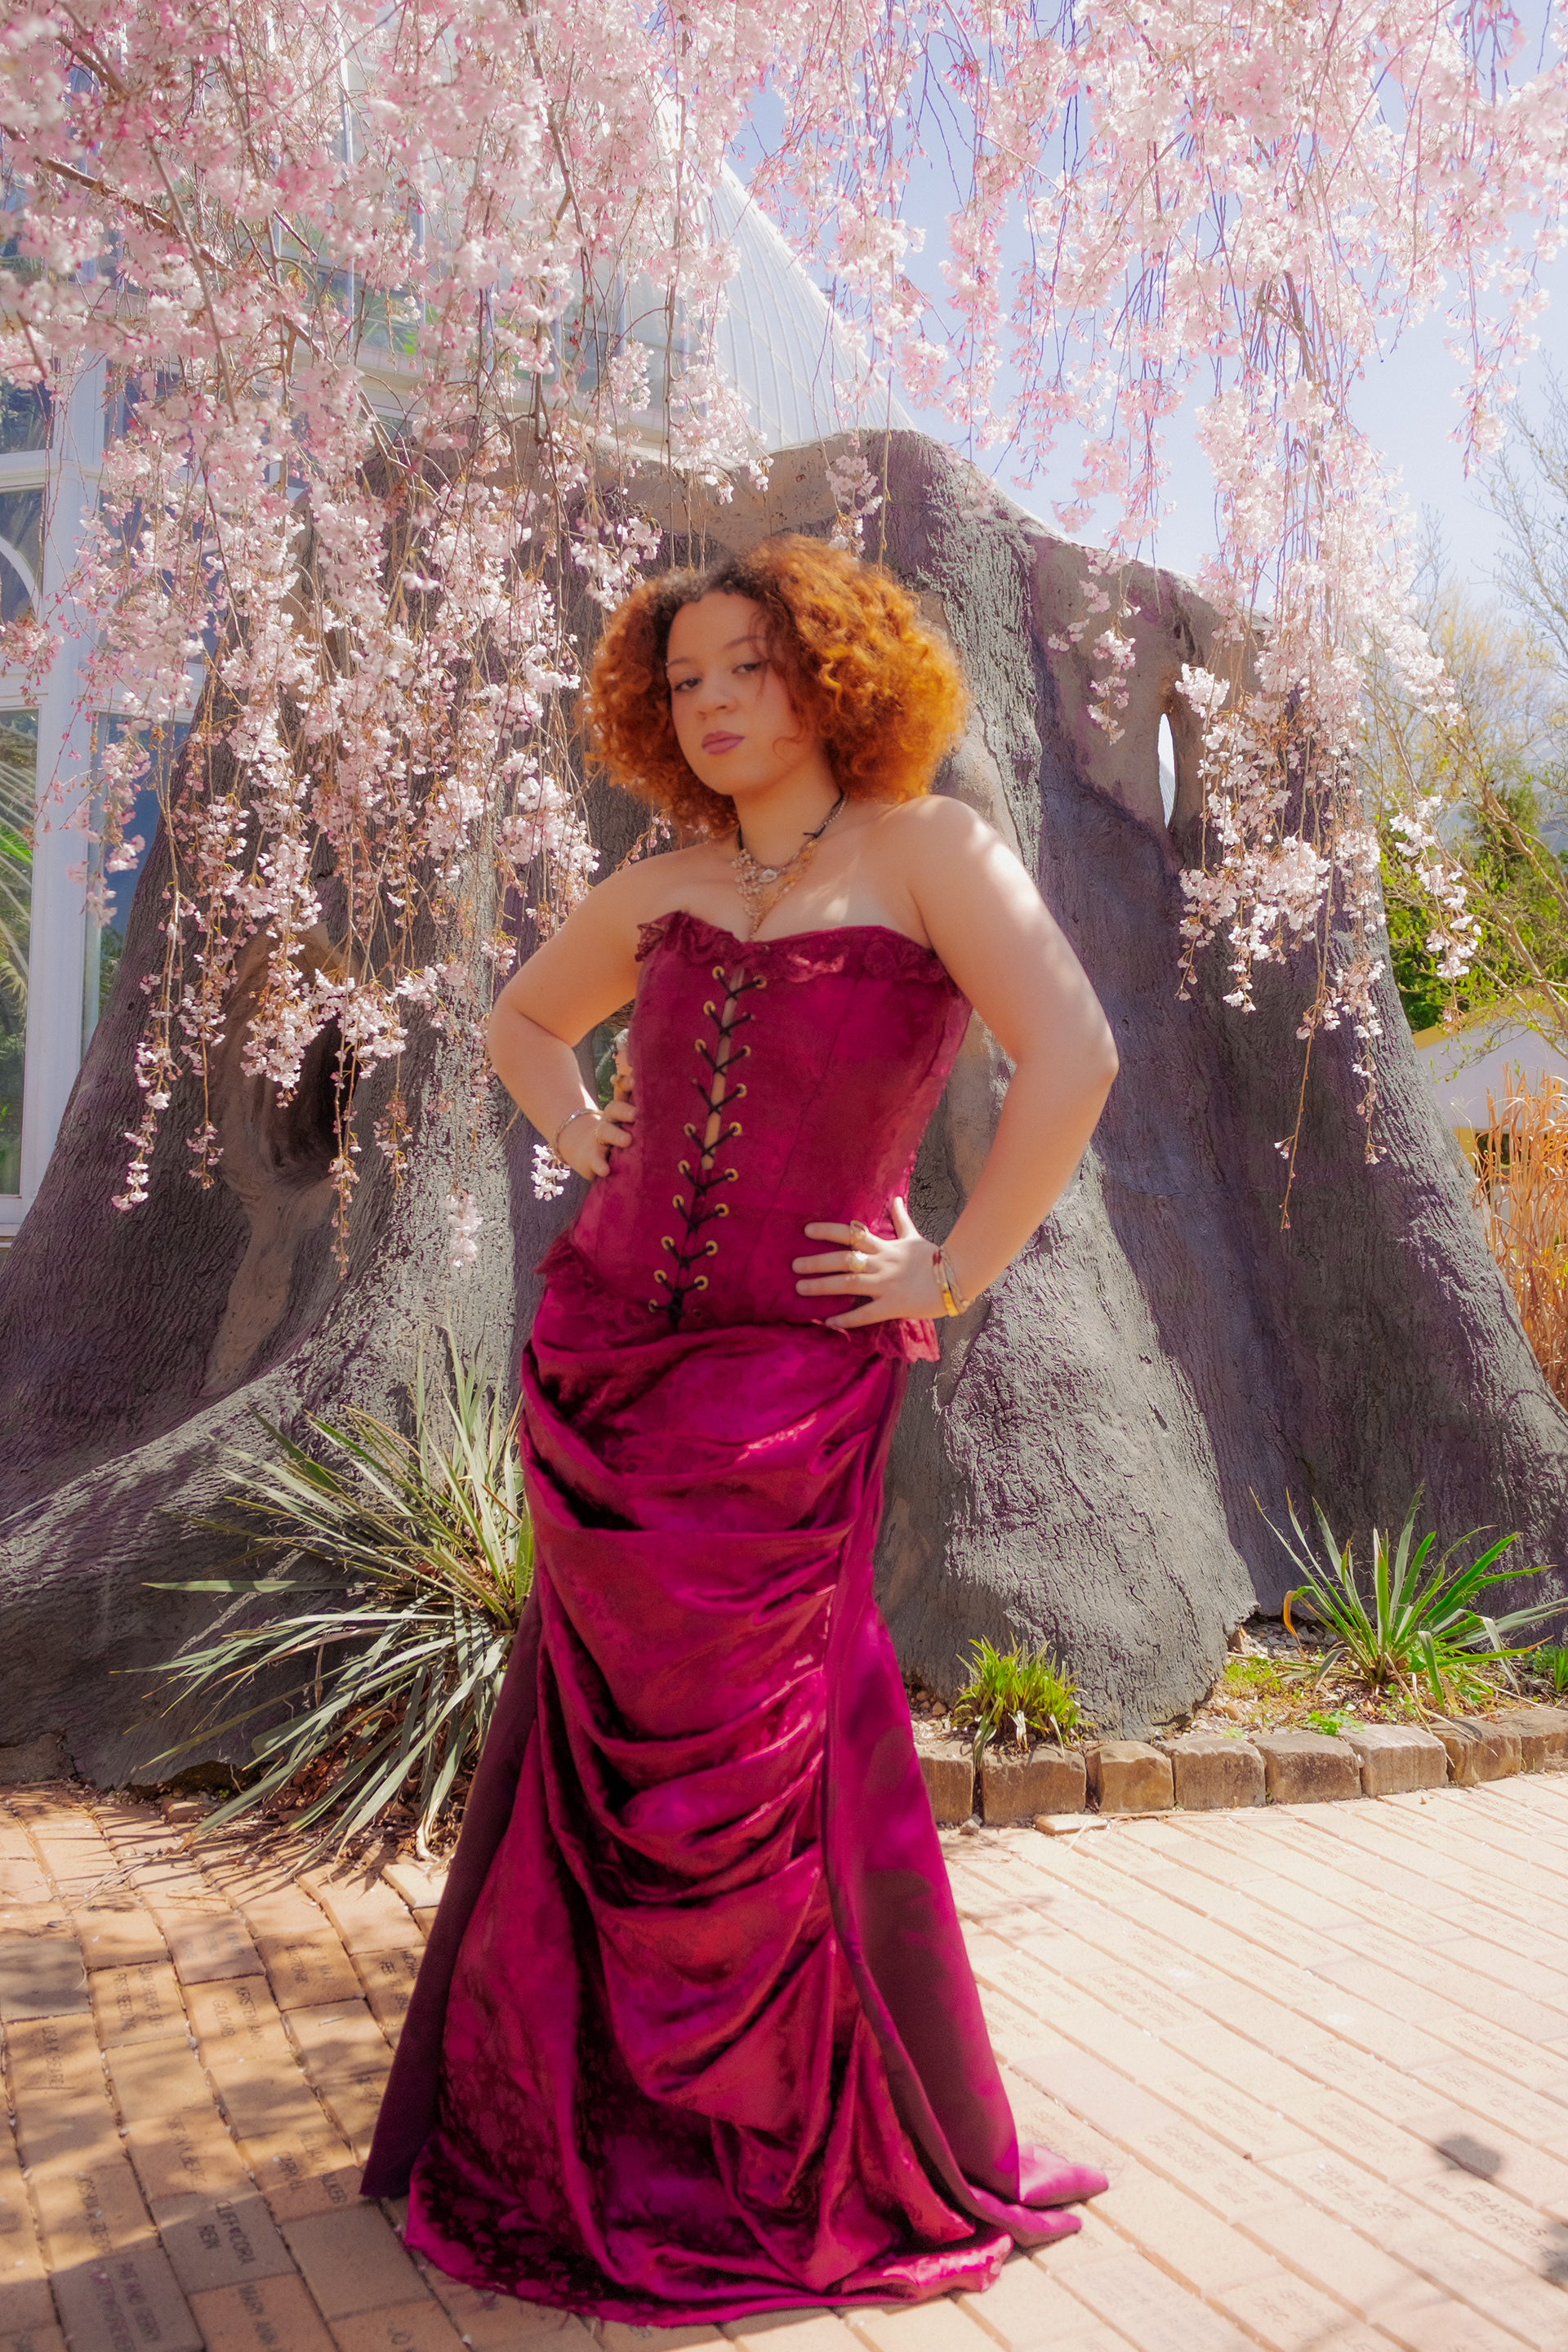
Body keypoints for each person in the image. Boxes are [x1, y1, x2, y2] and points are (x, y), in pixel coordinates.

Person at [363, 533, 1120, 2323]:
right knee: (602, 1760)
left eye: (746, 667)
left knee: (750, 1767)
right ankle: (581, 2128)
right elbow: (523, 1020)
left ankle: (763, 2143)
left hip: (790, 1375)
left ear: (832, 673)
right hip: (607, 1364)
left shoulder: (931, 849)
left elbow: (1074, 1056)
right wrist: (582, 1134)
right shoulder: (663, 882)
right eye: (682, 678)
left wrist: (948, 1270)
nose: (710, 703)